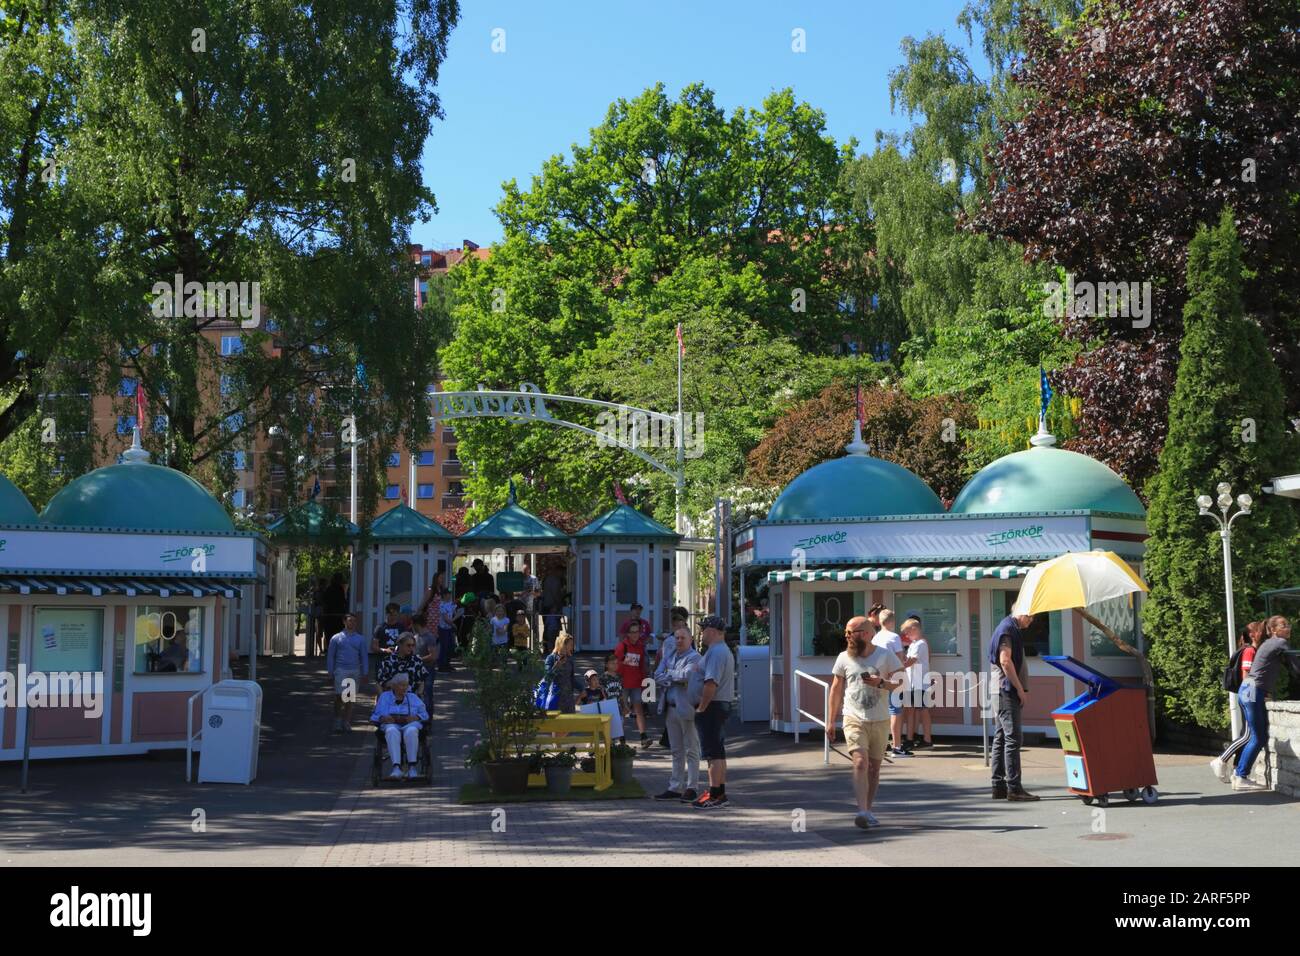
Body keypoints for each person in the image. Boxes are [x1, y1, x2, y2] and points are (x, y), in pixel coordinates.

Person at [827, 615, 904, 829]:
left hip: (880, 720)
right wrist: (830, 721)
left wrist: (881, 683)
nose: (848, 636)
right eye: (847, 632)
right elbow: (835, 689)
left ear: (868, 634)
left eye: (853, 632)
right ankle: (861, 810)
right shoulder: (843, 657)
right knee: (860, 762)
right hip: (853, 717)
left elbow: (902, 683)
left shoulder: (885, 655)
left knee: (874, 769)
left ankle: (868, 810)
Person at [1232, 615, 1300, 790]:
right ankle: (1241, 776)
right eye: (1284, 625)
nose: (1288, 628)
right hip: (1253, 691)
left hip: (1248, 690)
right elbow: (1296, 669)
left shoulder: (1269, 643)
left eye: (1288, 624)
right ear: (1274, 630)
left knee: (1255, 735)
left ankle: (1238, 774)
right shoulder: (1280, 643)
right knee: (1257, 736)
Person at [988, 610, 1039, 801]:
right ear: (1022, 613)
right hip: (1005, 691)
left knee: (1001, 738)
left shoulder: (1009, 627)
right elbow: (1005, 660)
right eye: (1031, 616)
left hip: (1001, 690)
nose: (1032, 621)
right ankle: (1014, 788)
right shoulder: (1008, 628)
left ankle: (998, 786)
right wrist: (1019, 689)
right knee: (1013, 738)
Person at [653, 626, 703, 803]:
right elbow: (656, 675)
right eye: (677, 638)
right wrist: (672, 676)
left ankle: (692, 787)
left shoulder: (695, 657)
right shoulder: (669, 656)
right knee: (676, 750)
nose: (679, 641)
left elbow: (686, 676)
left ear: (691, 640)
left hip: (686, 707)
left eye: (683, 638)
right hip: (670, 707)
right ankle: (675, 787)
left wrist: (669, 675)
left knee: (691, 749)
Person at [1212, 621, 1265, 782]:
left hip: (1248, 694)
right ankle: (1221, 760)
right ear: (1252, 635)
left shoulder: (1252, 649)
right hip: (1249, 695)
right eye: (1260, 630)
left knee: (1246, 734)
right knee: (1248, 735)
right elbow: (1245, 675)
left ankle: (1237, 769)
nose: (1264, 632)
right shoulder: (1249, 651)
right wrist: (1252, 696)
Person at [691, 615, 735, 809]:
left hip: (713, 706)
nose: (701, 632)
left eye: (704, 629)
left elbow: (711, 683)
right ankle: (720, 792)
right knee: (718, 751)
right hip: (718, 705)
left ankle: (715, 794)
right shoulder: (718, 651)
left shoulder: (717, 652)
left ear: (714, 631)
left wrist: (702, 707)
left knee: (712, 754)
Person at [370, 672, 428, 780]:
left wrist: (416, 717)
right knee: (391, 730)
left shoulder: (413, 697)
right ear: (394, 686)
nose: (405, 688)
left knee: (411, 730)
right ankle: (396, 768)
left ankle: (412, 768)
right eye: (402, 685)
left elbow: (425, 715)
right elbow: (374, 716)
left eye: (406, 685)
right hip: (392, 725)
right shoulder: (384, 697)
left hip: (409, 724)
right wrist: (383, 718)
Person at [871, 608, 911, 757]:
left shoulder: (875, 638)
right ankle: (897, 746)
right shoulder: (894, 637)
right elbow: (900, 659)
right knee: (895, 712)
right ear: (891, 621)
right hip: (894, 678)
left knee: (881, 711)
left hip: (877, 678)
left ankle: (881, 744)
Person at [326, 612, 369, 733]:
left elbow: (364, 656)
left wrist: (365, 672)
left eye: (354, 621)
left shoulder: (360, 639)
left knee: (350, 697)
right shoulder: (336, 638)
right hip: (340, 670)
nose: (352, 623)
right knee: (340, 696)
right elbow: (330, 656)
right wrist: (330, 672)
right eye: (350, 620)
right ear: (344, 622)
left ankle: (346, 721)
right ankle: (338, 721)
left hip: (354, 671)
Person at [615, 619, 651, 748]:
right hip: (623, 684)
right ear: (628, 634)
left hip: (636, 683)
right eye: (633, 632)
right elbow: (615, 665)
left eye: (638, 632)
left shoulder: (641, 647)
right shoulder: (622, 647)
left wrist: (644, 683)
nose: (636, 634)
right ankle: (621, 739)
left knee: (639, 710)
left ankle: (643, 737)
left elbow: (642, 667)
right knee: (623, 711)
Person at [901, 615, 933, 749]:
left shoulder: (921, 644)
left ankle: (927, 739)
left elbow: (910, 662)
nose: (906, 636)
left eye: (908, 632)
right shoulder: (914, 644)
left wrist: (897, 665)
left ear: (915, 629)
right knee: (910, 710)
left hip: (920, 683)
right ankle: (909, 738)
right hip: (912, 682)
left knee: (923, 710)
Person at [543, 632, 580, 713]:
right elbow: (547, 677)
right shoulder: (551, 658)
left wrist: (581, 688)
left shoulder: (570, 659)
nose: (572, 647)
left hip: (568, 699)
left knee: (570, 723)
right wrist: (556, 666)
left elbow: (572, 679)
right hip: (555, 698)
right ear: (563, 644)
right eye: (570, 645)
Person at [320, 572, 349, 656]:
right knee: (339, 634)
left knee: (329, 634)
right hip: (338, 615)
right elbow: (343, 601)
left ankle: (330, 651)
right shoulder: (340, 589)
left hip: (329, 615)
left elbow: (325, 601)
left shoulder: (329, 589)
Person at [415, 624, 440, 716]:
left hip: (428, 669)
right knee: (419, 694)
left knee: (427, 694)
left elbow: (433, 656)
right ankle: (421, 717)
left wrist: (418, 659)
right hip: (417, 670)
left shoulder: (429, 637)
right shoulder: (415, 636)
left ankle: (428, 718)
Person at [540, 565, 565, 650]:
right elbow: (555, 594)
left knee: (547, 627)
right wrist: (559, 604)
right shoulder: (555, 580)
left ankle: (545, 646)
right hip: (552, 607)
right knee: (553, 628)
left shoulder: (547, 579)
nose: (563, 574)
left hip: (546, 606)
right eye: (562, 572)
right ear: (558, 571)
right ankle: (552, 647)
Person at [435, 589, 460, 672]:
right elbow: (446, 619)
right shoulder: (441, 605)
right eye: (448, 594)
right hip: (443, 628)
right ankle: (441, 666)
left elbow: (455, 610)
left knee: (451, 646)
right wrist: (454, 621)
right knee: (444, 647)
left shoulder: (450, 603)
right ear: (444, 595)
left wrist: (458, 611)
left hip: (449, 628)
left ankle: (447, 664)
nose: (450, 596)